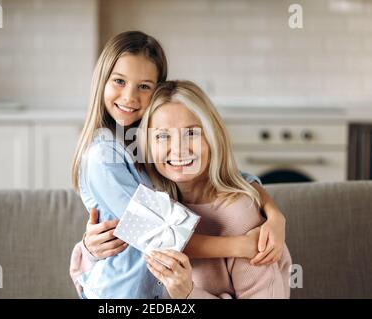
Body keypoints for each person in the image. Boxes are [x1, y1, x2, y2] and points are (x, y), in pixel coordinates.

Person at [69, 31, 286, 298]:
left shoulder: (145, 149)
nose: (129, 97)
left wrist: (275, 214)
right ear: (101, 82)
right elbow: (158, 235)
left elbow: (229, 174)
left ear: (157, 90)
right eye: (119, 81)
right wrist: (240, 246)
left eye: (144, 86)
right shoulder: (103, 156)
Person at [140, 80, 292, 298]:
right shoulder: (151, 206)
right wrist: (90, 251)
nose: (178, 149)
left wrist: (188, 294)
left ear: (212, 138)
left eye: (191, 133)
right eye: (163, 136)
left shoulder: (242, 217)